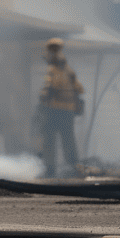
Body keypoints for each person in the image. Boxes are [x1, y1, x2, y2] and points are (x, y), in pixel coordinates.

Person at [38, 37, 83, 177]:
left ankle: (50, 170)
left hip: (54, 110)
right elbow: (79, 89)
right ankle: (74, 168)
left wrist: (43, 98)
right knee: (68, 140)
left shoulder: (53, 69)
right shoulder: (69, 70)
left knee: (49, 141)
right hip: (68, 111)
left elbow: (48, 89)